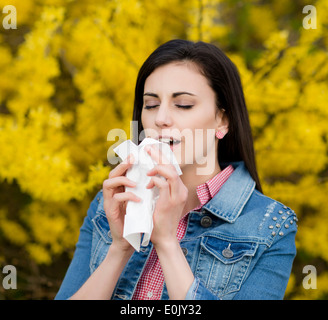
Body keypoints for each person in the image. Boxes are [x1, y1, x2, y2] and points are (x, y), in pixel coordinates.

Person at [55, 39, 297, 300]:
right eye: (150, 105)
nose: (161, 119)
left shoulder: (269, 225)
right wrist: (120, 247)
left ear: (222, 120)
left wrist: (168, 243)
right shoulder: (112, 205)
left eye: (183, 105)